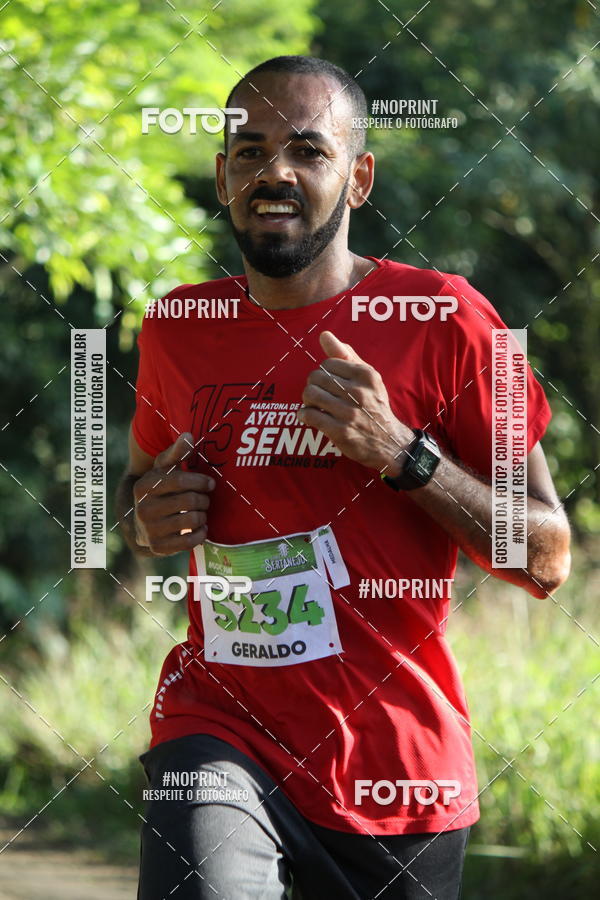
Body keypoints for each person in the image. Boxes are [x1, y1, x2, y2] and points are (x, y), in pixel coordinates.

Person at [117, 55, 571, 900]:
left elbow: (546, 554)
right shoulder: (179, 325)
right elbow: (141, 493)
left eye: (307, 151)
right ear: (222, 177)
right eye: (248, 152)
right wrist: (147, 518)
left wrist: (405, 453)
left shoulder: (447, 318)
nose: (274, 172)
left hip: (396, 771)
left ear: (359, 178)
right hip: (216, 729)